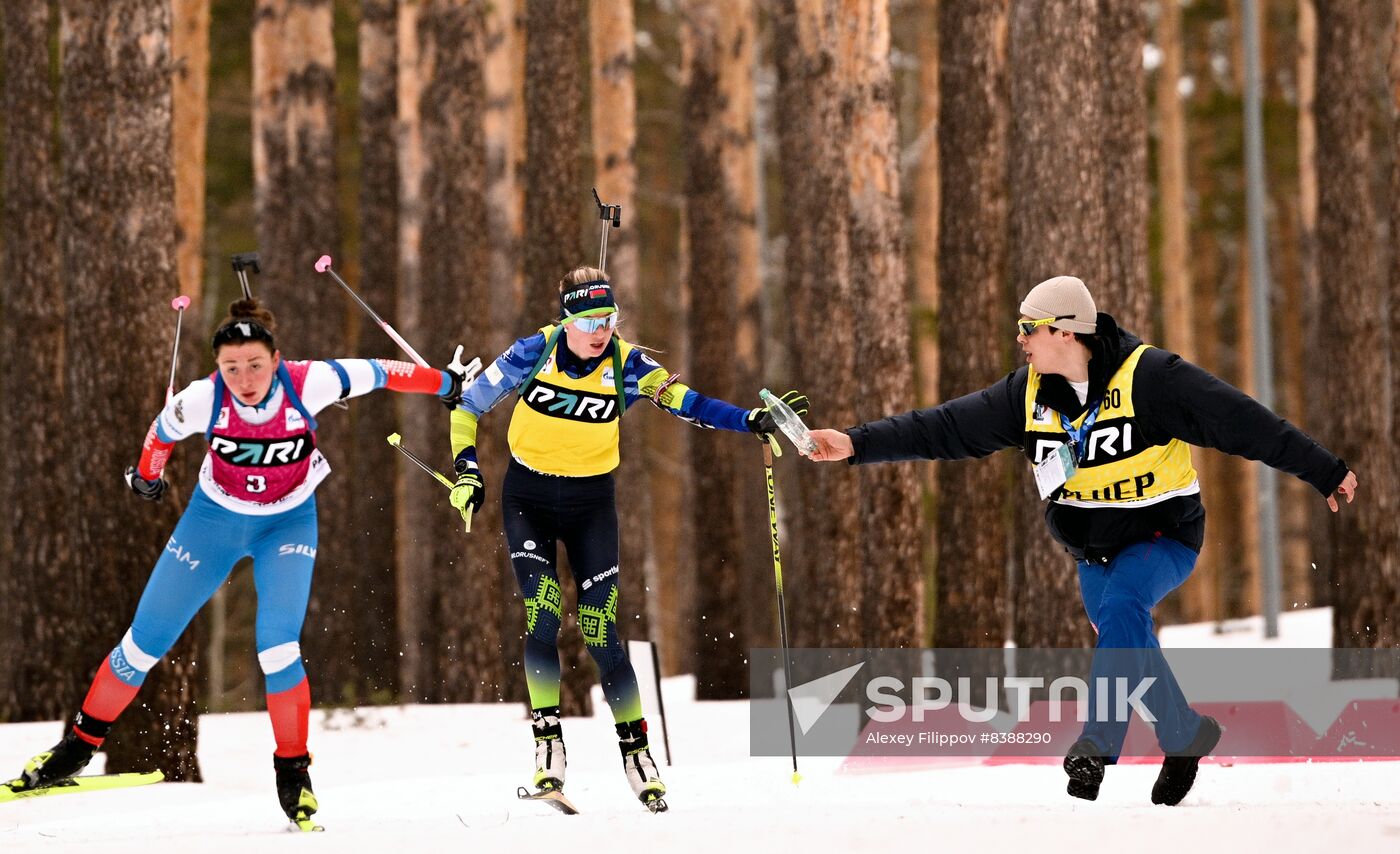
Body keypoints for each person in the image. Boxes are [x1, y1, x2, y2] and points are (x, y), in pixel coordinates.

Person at [804, 275, 1357, 806]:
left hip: (1164, 535)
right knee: (1126, 636)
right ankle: (1185, 734)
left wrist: (1323, 469)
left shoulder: (1151, 379)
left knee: (1122, 608)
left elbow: (1243, 422)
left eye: (1029, 327)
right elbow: (942, 427)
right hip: (1093, 550)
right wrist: (853, 443)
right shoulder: (1025, 396)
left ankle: (1096, 746)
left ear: (1066, 331)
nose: (1020, 339)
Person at [6, 298, 466, 827]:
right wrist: (147, 477)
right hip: (212, 524)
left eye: (254, 365)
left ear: (276, 359)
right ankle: (77, 749)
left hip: (286, 525)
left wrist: (446, 384)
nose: (244, 379)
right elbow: (160, 433)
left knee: (278, 647)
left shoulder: (310, 382)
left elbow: (384, 372)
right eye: (231, 368)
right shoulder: (203, 399)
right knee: (141, 645)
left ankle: (293, 772)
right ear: (217, 367)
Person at [448, 266, 803, 810]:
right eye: (590, 320)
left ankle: (638, 755)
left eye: (609, 318)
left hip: (591, 504)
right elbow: (467, 405)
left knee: (599, 628)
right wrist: (468, 471)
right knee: (543, 610)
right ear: (566, 320)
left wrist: (748, 419)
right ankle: (548, 748)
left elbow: (689, 403)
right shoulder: (532, 353)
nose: (602, 331)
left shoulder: (628, 364)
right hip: (528, 498)